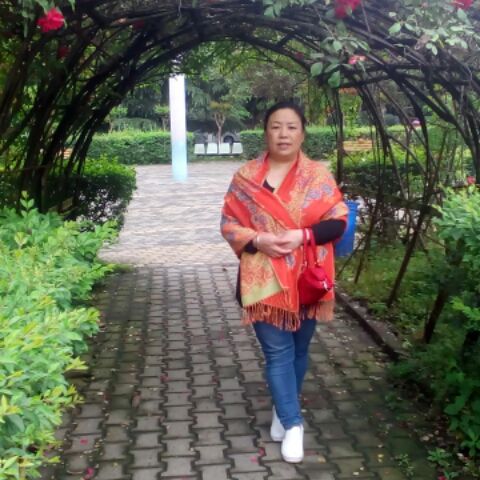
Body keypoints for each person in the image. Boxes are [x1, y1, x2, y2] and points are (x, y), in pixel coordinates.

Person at [220, 101, 348, 463]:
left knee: (299, 350)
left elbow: (338, 221)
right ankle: (293, 424)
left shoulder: (317, 176)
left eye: (291, 127)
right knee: (277, 352)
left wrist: (302, 236)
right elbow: (228, 224)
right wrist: (258, 239)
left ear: (303, 133)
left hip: (308, 279)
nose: (283, 134)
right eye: (276, 126)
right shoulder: (246, 177)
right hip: (263, 281)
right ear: (265, 132)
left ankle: (282, 407)